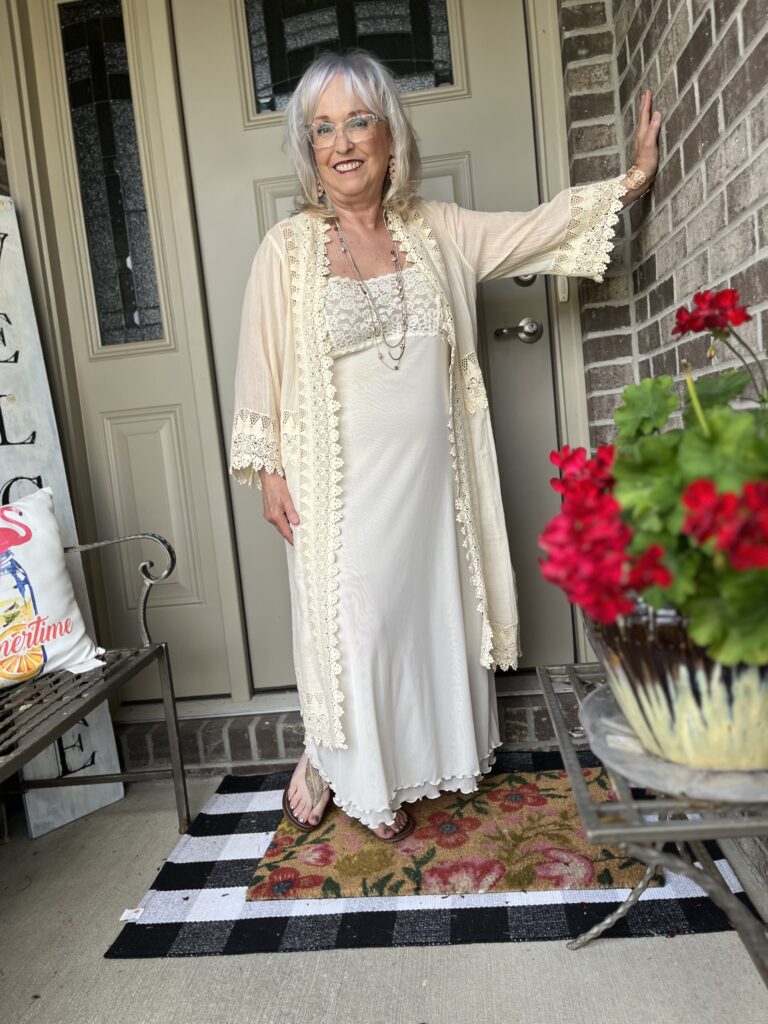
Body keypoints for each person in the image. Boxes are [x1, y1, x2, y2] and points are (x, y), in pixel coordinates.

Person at [229, 51, 660, 841]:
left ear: (390, 136)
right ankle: (347, 768)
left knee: (418, 621)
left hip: (431, 484)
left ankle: (375, 757)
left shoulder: (438, 231)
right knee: (356, 627)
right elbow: (259, 367)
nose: (342, 143)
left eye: (358, 121)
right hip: (338, 485)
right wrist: (268, 473)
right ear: (308, 149)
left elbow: (537, 229)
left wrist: (631, 179)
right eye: (323, 128)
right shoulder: (285, 249)